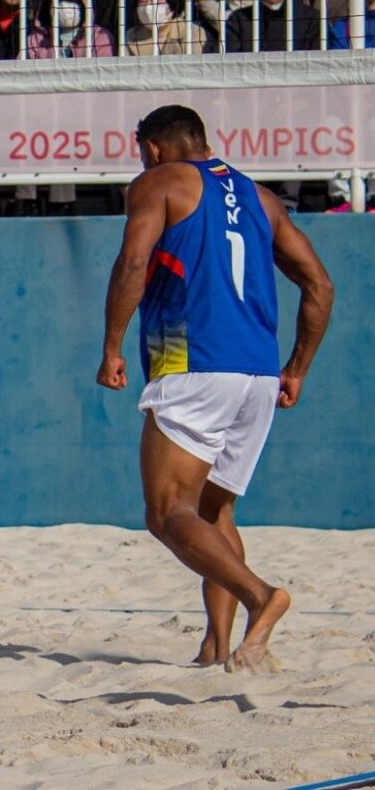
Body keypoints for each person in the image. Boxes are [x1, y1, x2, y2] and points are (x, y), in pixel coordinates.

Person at [97, 104, 334, 672]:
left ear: (153, 147)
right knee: (212, 511)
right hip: (257, 372)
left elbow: (133, 261)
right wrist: (296, 367)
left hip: (192, 360)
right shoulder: (262, 198)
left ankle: (262, 596)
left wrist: (111, 347)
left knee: (165, 511)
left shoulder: (159, 181)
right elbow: (320, 285)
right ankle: (216, 647)